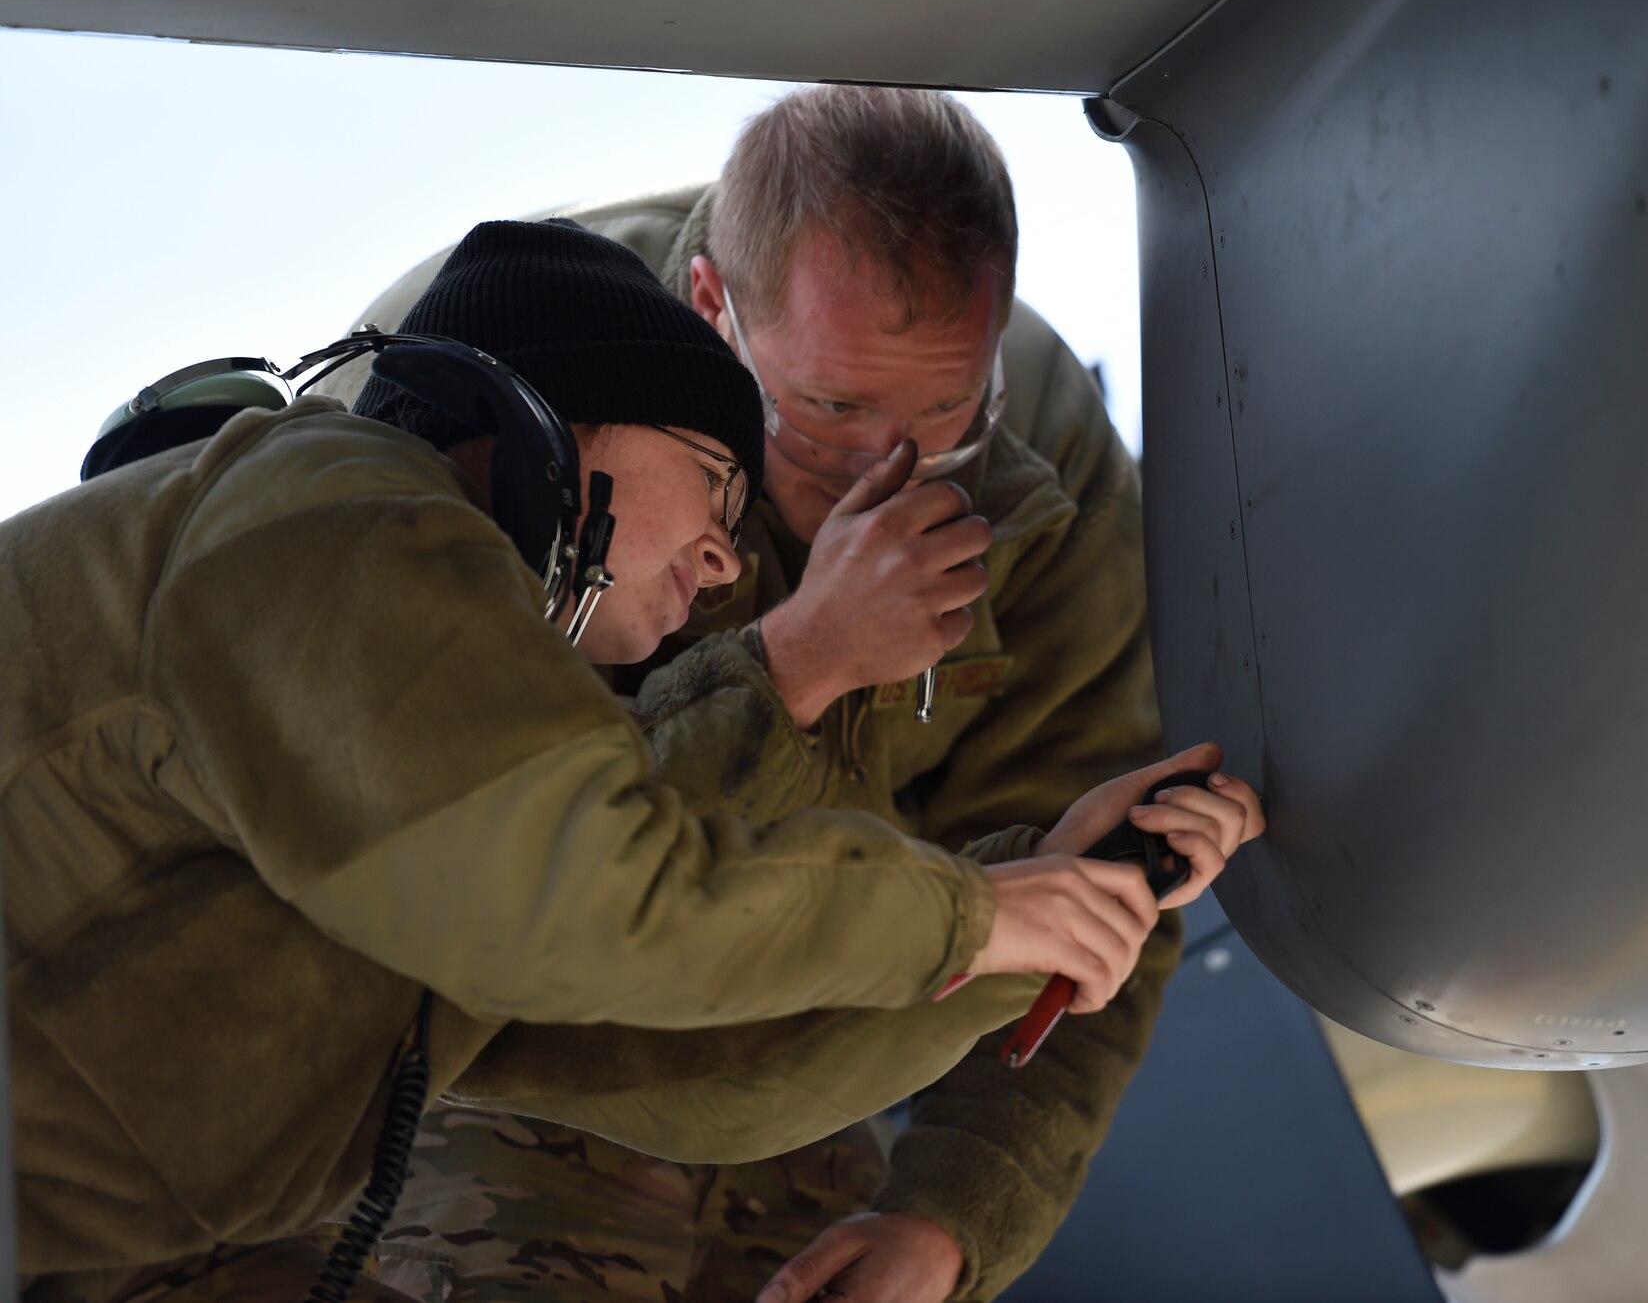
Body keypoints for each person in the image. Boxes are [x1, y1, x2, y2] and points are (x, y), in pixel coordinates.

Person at [3, 217, 1263, 1303]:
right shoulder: (337, 503)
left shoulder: (434, 796)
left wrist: (1038, 906)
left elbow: (678, 1054)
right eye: (715, 490)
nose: (725, 560)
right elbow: (600, 899)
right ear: (558, 414)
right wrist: (969, 912)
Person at [315, 86, 1202, 1301]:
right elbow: (468, 866)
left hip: (806, 1079)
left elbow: (1090, 893)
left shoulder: (1044, 443)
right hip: (493, 1070)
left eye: (946, 410)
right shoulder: (498, 369)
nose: (888, 467)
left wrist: (949, 1214)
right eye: (830, 409)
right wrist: (803, 658)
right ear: (710, 307)